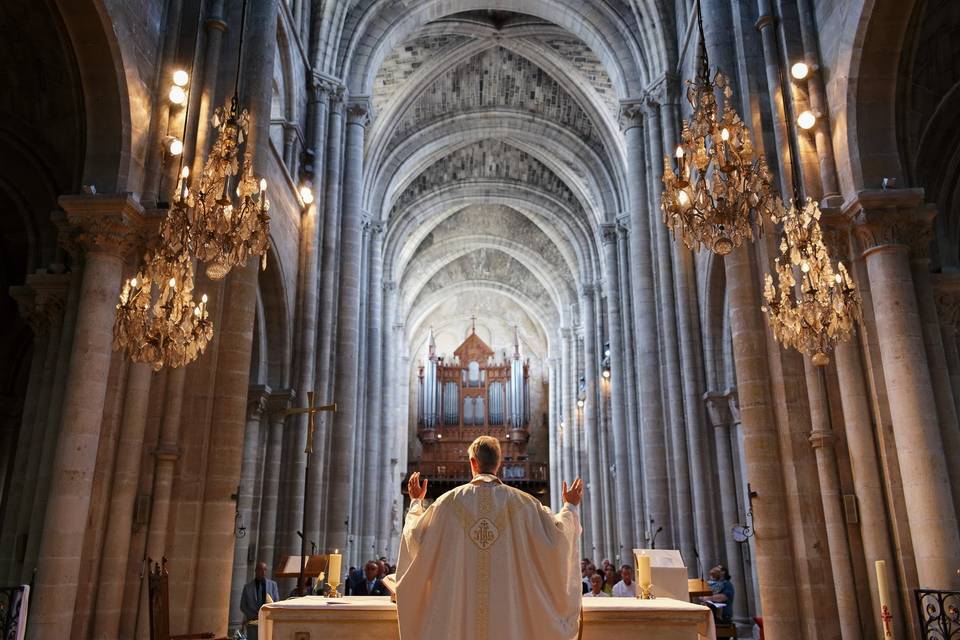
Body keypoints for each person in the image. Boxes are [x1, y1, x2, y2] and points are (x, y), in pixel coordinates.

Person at [396, 435, 583, 640]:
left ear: (472, 462)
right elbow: (557, 539)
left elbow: (415, 537)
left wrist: (415, 503)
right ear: (499, 463)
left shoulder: (446, 504)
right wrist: (570, 507)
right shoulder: (525, 504)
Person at [240, 562, 280, 640]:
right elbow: (243, 606)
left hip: (267, 621)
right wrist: (254, 616)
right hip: (253, 622)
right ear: (256, 570)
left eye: (264, 569)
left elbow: (276, 602)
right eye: (260, 569)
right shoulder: (247, 587)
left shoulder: (273, 585)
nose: (263, 572)